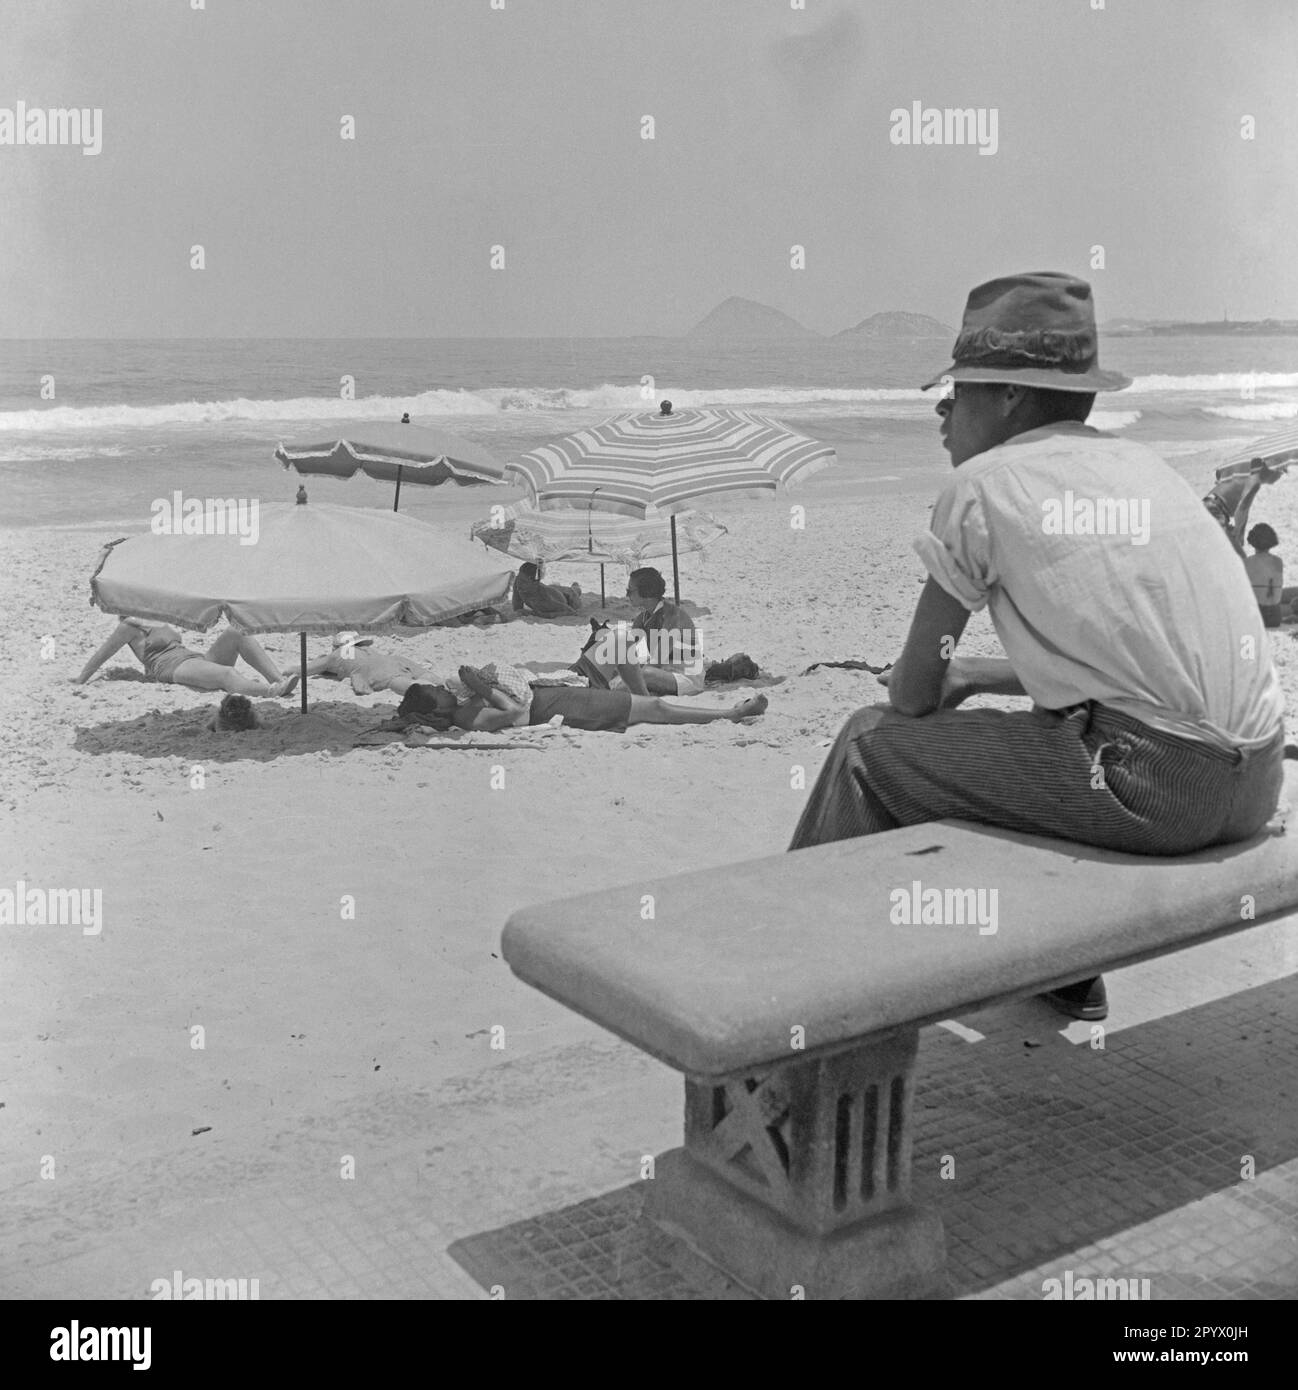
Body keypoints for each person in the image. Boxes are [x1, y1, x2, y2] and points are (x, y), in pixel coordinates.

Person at [788, 271, 1286, 1024]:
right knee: (1021, 752)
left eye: (954, 397)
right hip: (1256, 782)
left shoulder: (983, 487)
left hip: (1157, 789)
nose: (943, 417)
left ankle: (797, 1000)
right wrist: (984, 674)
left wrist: (944, 678)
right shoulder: (1146, 470)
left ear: (1009, 397)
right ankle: (1063, 970)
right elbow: (1133, 657)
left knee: (870, 746)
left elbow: (910, 696)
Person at [397, 669, 765, 733]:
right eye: (438, 694)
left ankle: (726, 715)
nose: (444, 690)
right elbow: (512, 715)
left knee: (640, 703)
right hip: (558, 709)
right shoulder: (465, 719)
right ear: (437, 710)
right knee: (653, 709)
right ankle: (729, 715)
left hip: (557, 697)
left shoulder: (462, 705)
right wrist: (481, 687)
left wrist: (477, 686)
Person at [75, 619, 299, 696]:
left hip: (192, 658)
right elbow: (102, 654)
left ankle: (278, 680)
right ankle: (271, 692)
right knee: (226, 674)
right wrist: (80, 680)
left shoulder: (158, 617)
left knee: (236, 632)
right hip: (170, 667)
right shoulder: (128, 626)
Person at [579, 568, 704, 696]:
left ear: (646, 592)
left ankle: (604, 692)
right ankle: (605, 688)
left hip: (687, 674)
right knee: (622, 668)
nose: (627, 595)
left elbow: (657, 661)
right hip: (665, 670)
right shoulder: (644, 617)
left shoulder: (673, 616)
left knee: (643, 674)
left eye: (630, 591)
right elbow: (624, 646)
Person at [291, 633, 436, 694]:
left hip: (375, 671)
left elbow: (302, 670)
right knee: (425, 675)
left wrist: (285, 672)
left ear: (337, 647)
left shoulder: (336, 655)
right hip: (393, 659)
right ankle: (447, 683)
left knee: (396, 681)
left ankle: (431, 691)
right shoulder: (368, 650)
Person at [1243, 523, 1284, 628]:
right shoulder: (1278, 561)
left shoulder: (1247, 562)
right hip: (1275, 617)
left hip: (1256, 616)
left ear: (1252, 541)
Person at [511, 561, 583, 618]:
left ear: (534, 583)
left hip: (567, 597)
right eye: (519, 578)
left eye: (524, 581)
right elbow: (517, 607)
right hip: (552, 590)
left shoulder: (544, 600)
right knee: (557, 588)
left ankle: (576, 587)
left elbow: (571, 612)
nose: (519, 584)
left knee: (574, 592)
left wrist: (536, 614)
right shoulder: (519, 582)